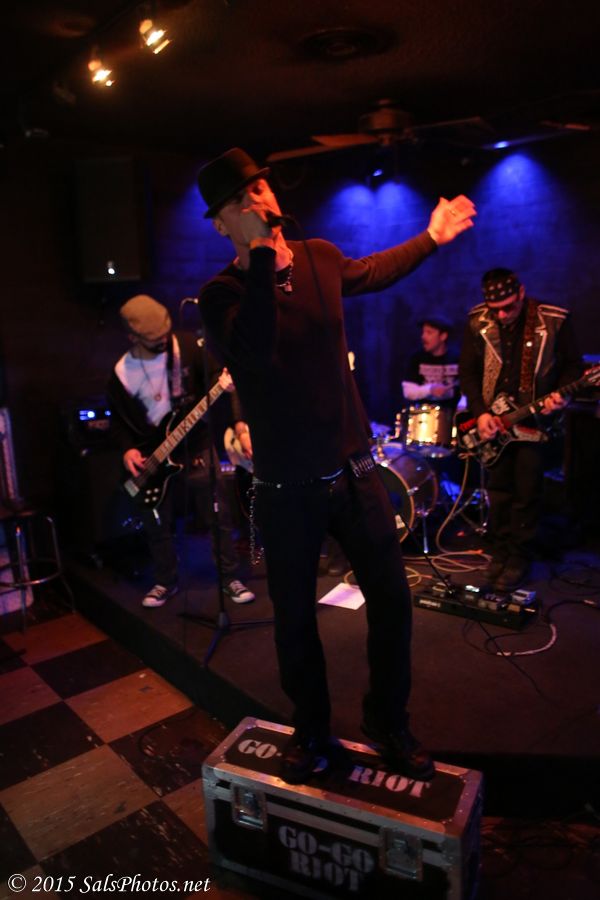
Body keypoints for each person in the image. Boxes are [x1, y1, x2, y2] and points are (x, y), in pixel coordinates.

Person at [196, 147, 476, 783]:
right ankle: (311, 728)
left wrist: (431, 237)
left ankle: (387, 721)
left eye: (259, 188)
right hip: (285, 489)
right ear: (220, 223)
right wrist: (259, 257)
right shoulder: (222, 295)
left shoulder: (319, 256)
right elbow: (254, 353)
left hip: (355, 473)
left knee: (393, 602)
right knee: (295, 620)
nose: (257, 201)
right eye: (239, 200)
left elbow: (372, 271)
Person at [108, 294, 255, 608]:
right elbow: (118, 422)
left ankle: (229, 578)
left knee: (218, 514)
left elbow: (217, 376)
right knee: (157, 524)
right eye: (155, 339)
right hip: (151, 456)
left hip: (196, 445)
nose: (164, 340)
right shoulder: (121, 373)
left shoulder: (186, 346)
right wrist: (127, 450)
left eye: (165, 333)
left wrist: (226, 387)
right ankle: (165, 581)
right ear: (132, 337)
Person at [459, 268, 582, 591]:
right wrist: (480, 413)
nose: (502, 315)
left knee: (526, 493)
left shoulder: (553, 320)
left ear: (522, 293)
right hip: (496, 423)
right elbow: (468, 372)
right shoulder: (477, 321)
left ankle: (518, 558)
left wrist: (561, 396)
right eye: (496, 310)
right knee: (498, 492)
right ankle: (499, 552)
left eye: (508, 307)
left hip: (534, 422)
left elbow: (573, 365)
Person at [402, 315, 460, 407]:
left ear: (443, 336)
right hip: (423, 413)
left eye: (429, 333)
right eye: (423, 332)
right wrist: (430, 389)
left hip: (452, 413)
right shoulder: (417, 358)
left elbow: (466, 391)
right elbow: (408, 392)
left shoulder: (458, 359)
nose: (423, 337)